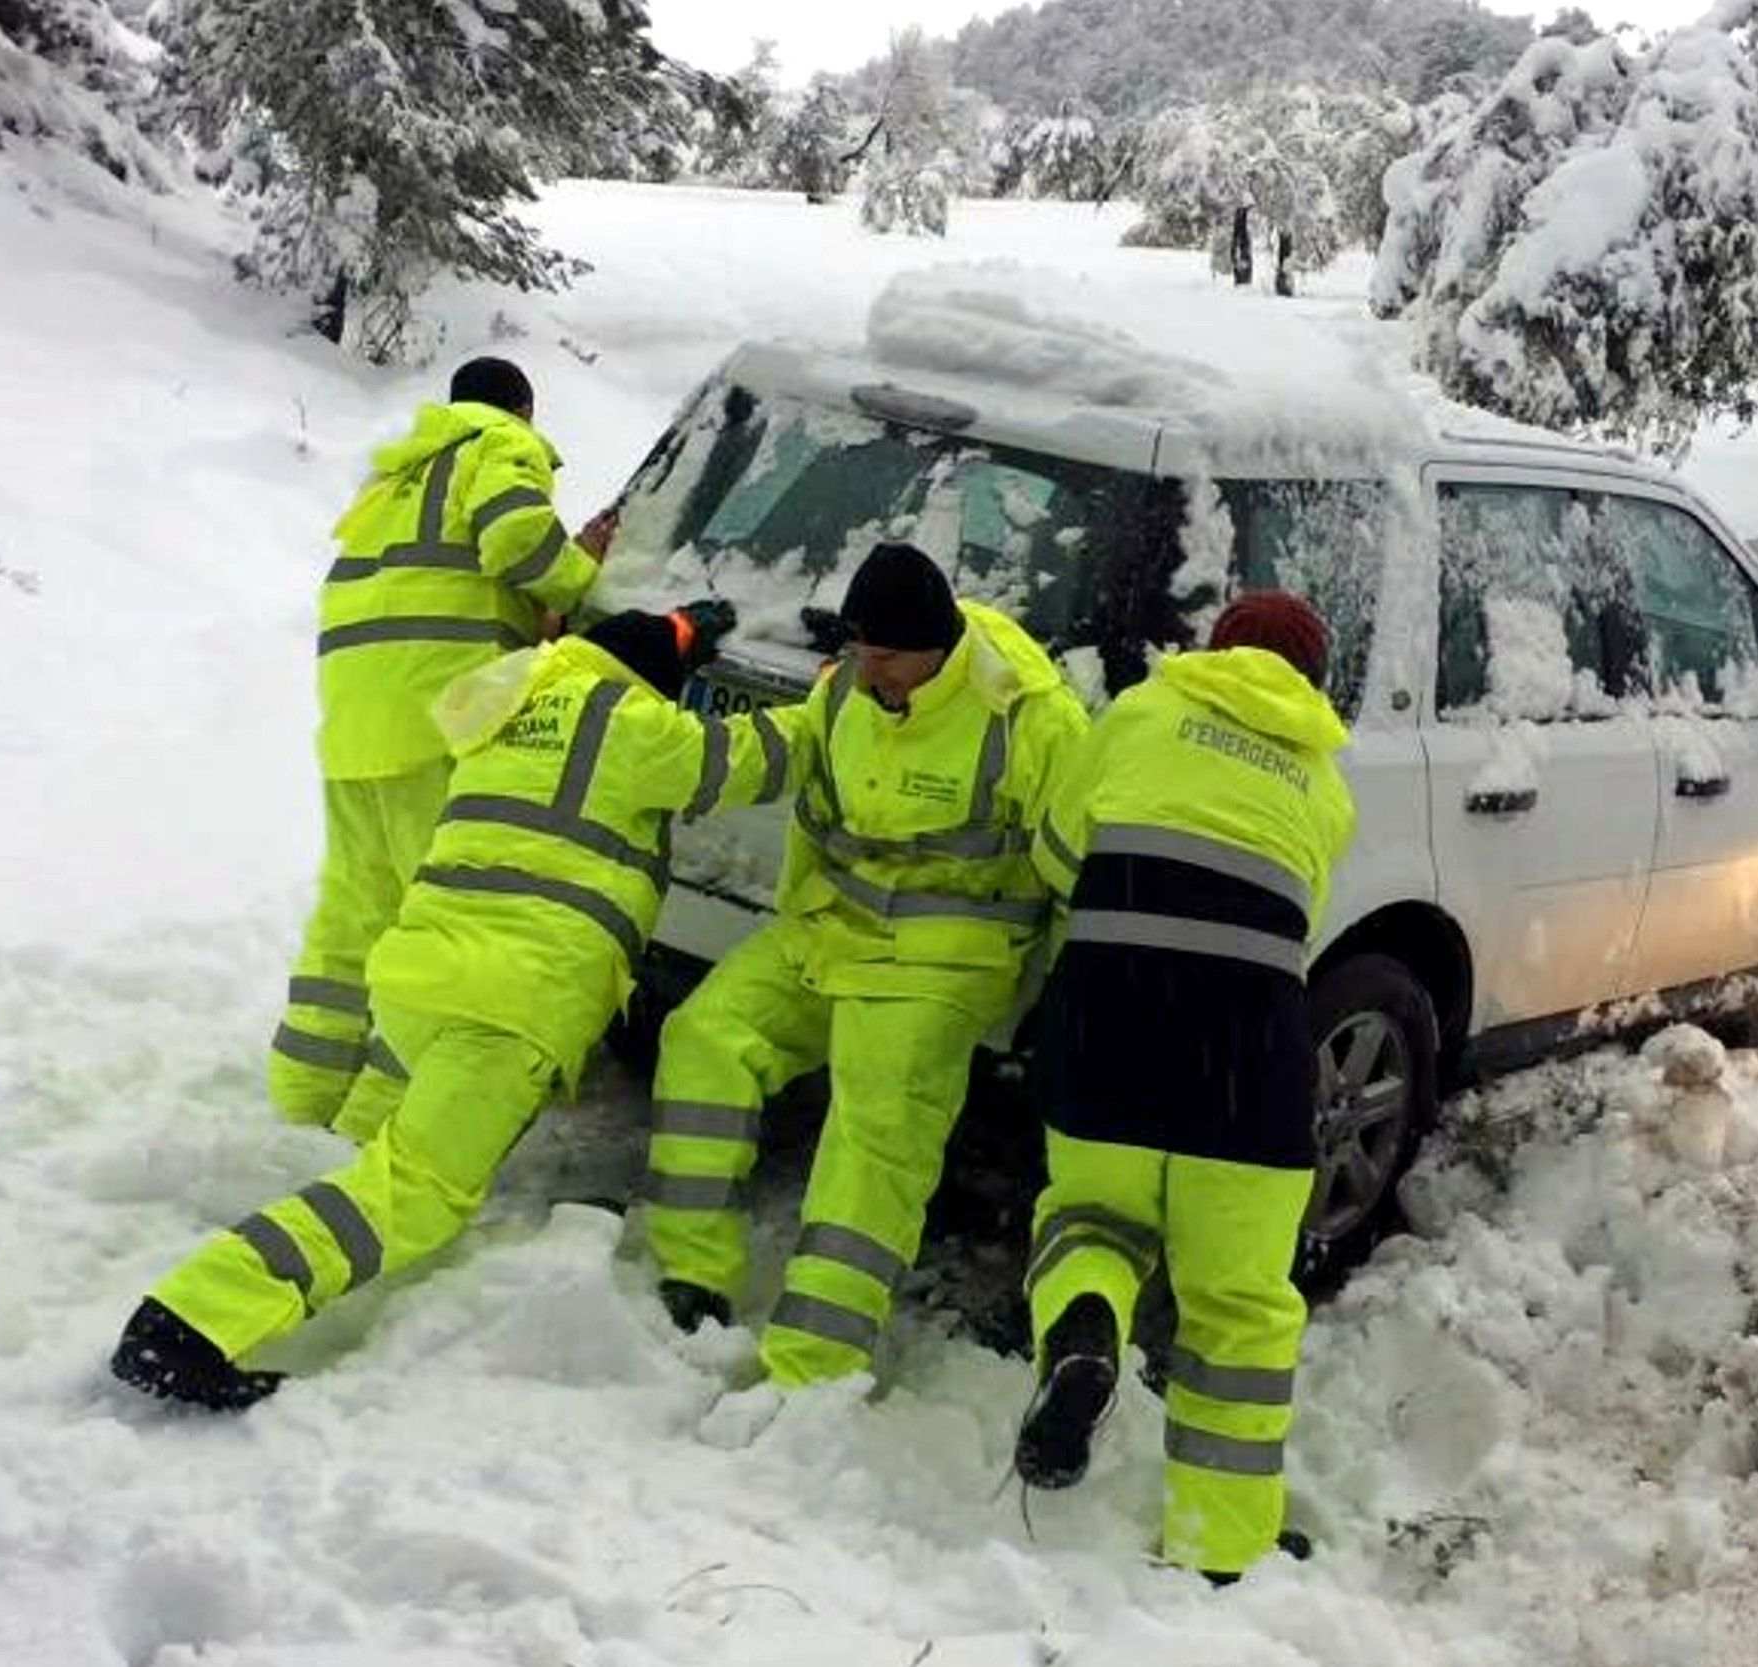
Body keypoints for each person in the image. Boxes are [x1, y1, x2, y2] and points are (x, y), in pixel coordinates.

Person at [112, 600, 804, 1410]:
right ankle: (189, 1322)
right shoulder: (629, 723)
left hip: (426, 974)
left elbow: (630, 652)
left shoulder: (515, 705)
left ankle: (280, 1224)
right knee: (419, 1190)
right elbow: (748, 756)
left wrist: (682, 625)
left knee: (390, 1145)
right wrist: (845, 689)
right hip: (511, 996)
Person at [641, 543, 1089, 1388]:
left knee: (872, 1127)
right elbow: (777, 757)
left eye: (886, 656)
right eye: (859, 651)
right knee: (704, 1036)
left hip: (942, 962)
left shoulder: (1029, 719)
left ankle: (814, 1362)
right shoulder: (844, 684)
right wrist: (642, 757)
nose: (868, 670)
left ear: (939, 645)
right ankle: (691, 1271)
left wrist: (1071, 998)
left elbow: (1078, 870)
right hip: (827, 933)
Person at [1010, 590, 1356, 1584]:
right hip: (1247, 1059)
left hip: (1107, 1024)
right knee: (1239, 1302)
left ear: (1214, 651)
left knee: (1090, 1217)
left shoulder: (1139, 712)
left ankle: (1082, 1322)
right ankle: (1219, 1545)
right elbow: (1298, 919)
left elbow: (1056, 848)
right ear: (1312, 683)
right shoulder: (1325, 787)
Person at [272, 356, 618, 1136]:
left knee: (354, 909)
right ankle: (376, 1122)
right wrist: (584, 583)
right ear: (522, 408)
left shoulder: (395, 478)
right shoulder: (501, 443)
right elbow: (519, 544)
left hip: (355, 720)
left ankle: (301, 1096)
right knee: (443, 917)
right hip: (440, 717)